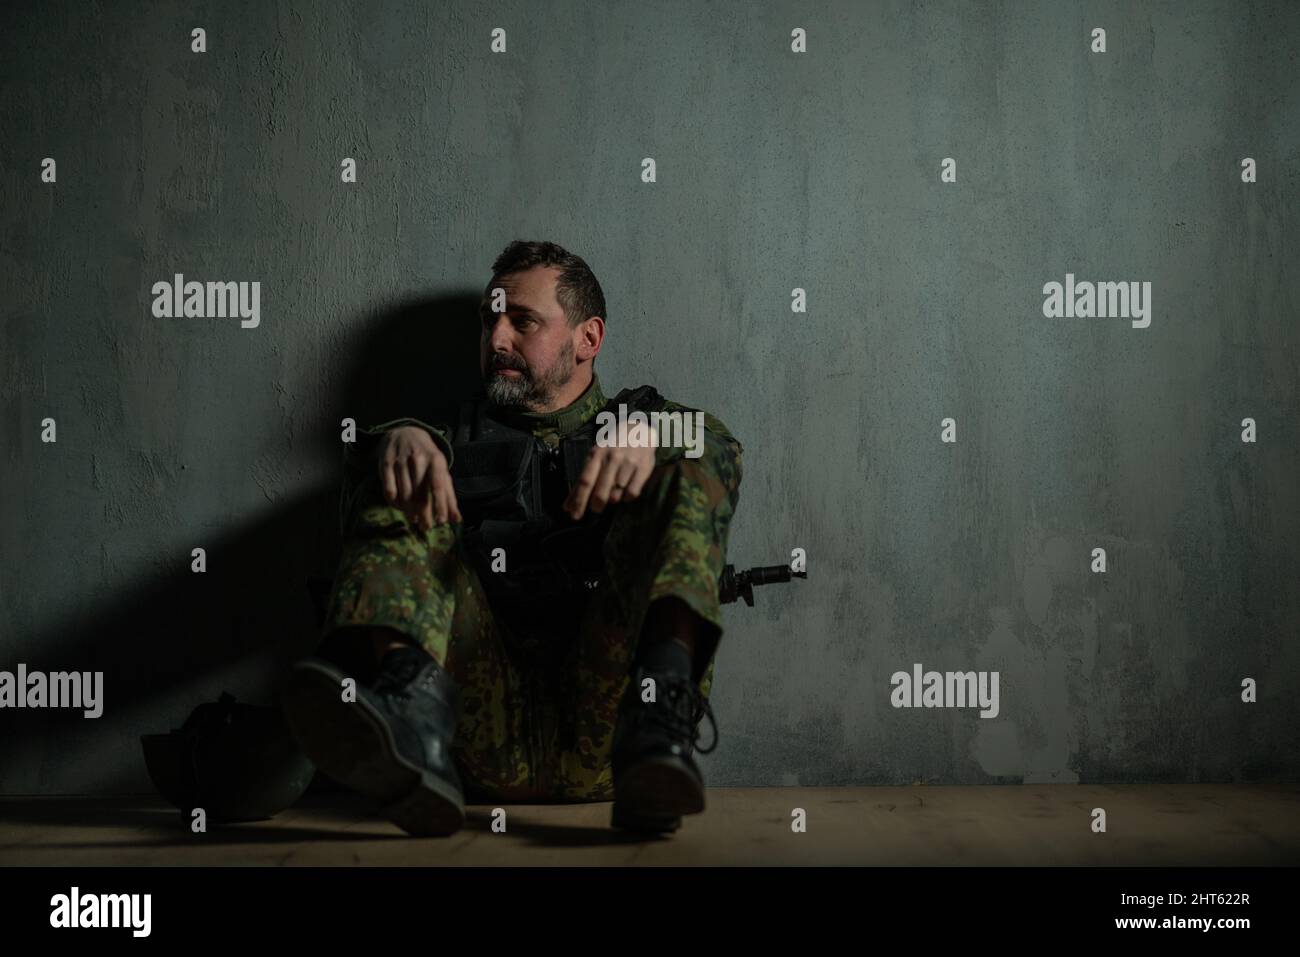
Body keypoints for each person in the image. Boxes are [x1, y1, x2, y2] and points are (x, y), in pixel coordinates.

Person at [281, 240, 743, 836]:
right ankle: (409, 719)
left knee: (691, 474)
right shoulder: (444, 436)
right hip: (472, 727)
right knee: (401, 469)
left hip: (613, 727)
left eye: (522, 321)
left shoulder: (648, 427)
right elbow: (375, 499)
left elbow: (722, 450)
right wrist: (395, 439)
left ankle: (660, 720)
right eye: (489, 321)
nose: (497, 339)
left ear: (588, 338)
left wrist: (654, 435)